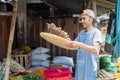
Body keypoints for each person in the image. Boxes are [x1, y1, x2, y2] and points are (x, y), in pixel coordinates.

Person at [66, 9, 101, 80]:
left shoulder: (96, 32)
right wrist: (63, 39)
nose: (82, 21)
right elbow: (73, 44)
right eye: (81, 19)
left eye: (84, 18)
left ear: (91, 19)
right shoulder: (82, 32)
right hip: (80, 65)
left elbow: (95, 50)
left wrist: (79, 44)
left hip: (90, 67)